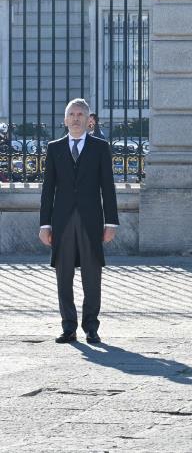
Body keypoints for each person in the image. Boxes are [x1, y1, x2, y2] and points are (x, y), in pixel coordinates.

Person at [39, 99, 118, 344]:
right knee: (63, 276)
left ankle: (91, 327)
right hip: (62, 222)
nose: (75, 118)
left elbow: (108, 187)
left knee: (92, 276)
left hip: (91, 221)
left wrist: (111, 223)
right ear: (65, 120)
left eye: (80, 114)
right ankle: (68, 327)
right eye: (71, 114)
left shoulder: (100, 147)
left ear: (88, 120)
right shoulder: (54, 148)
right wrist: (45, 224)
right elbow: (48, 189)